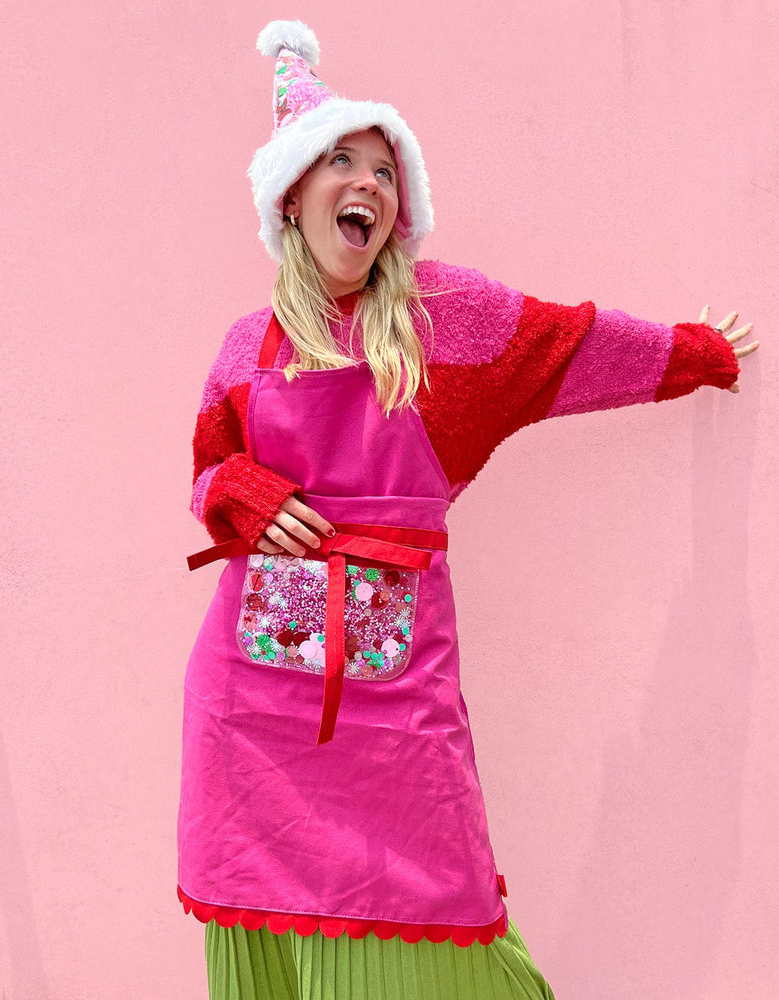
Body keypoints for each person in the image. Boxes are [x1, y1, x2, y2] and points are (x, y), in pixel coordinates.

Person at [177, 20, 759, 1000]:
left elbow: (572, 347)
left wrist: (692, 353)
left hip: (395, 707)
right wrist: (238, 490)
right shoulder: (247, 347)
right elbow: (204, 472)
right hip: (253, 716)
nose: (365, 182)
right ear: (289, 196)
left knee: (449, 922)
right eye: (338, 162)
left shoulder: (447, 322)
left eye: (382, 168)